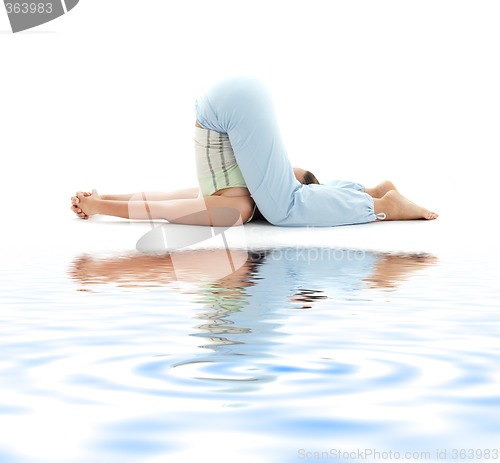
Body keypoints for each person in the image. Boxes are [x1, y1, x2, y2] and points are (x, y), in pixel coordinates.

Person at [71, 76, 438, 227]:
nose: (288, 174)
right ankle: (376, 201)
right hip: (230, 106)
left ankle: (376, 200)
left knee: (283, 207)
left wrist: (102, 202)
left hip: (229, 105)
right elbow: (165, 205)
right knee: (283, 207)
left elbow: (164, 204)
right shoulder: (237, 203)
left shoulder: (234, 203)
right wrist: (100, 203)